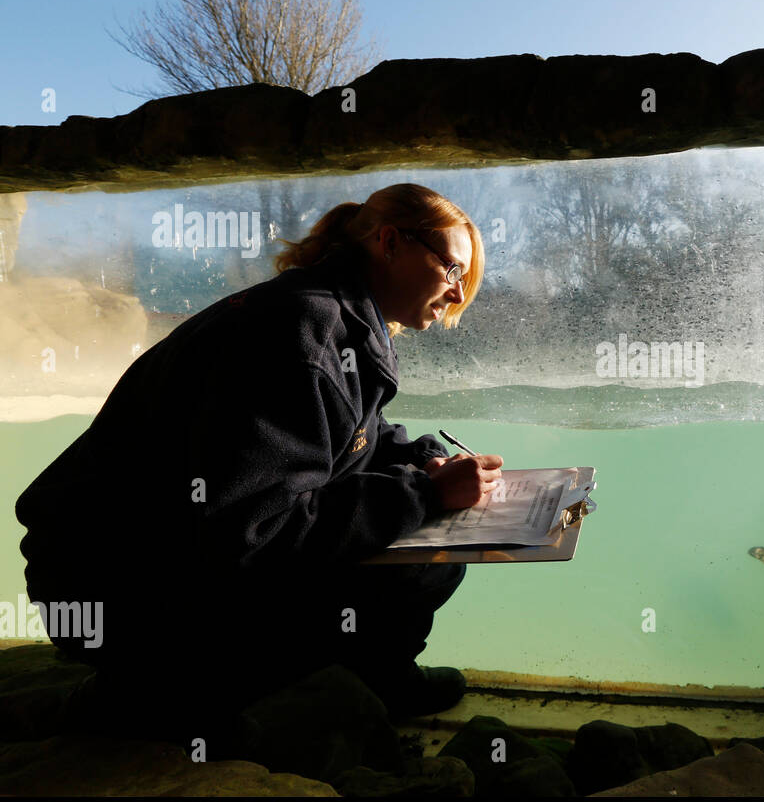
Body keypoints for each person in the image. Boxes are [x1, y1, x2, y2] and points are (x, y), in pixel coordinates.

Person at [14, 182, 502, 744]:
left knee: (423, 538)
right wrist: (423, 495)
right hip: (123, 597)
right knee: (426, 559)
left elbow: (353, 441)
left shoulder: (330, 315)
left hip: (136, 570)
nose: (458, 293)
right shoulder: (300, 333)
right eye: (452, 270)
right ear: (391, 242)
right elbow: (256, 529)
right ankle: (156, 691)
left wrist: (427, 460)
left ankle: (359, 678)